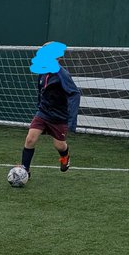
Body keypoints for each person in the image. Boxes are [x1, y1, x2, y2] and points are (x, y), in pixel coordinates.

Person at [19, 41, 80, 177]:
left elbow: (75, 94)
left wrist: (71, 121)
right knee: (30, 139)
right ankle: (25, 170)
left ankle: (65, 157)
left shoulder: (61, 74)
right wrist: (40, 106)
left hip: (58, 116)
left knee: (59, 145)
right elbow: (41, 91)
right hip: (43, 112)